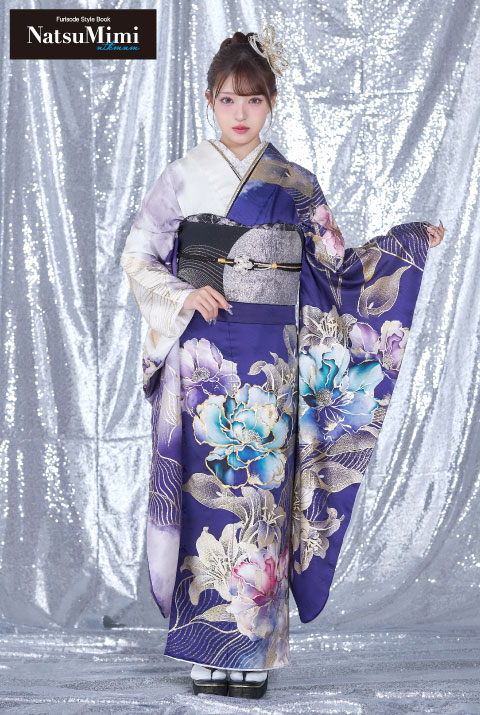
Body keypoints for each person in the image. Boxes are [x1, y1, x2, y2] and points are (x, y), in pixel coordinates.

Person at [120, 24, 445, 700]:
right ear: (210, 101)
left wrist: (407, 243)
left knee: (260, 500)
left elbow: (340, 269)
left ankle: (253, 651)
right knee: (205, 495)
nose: (240, 114)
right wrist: (183, 293)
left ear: (271, 103)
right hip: (202, 359)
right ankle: (203, 647)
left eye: (254, 100)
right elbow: (139, 254)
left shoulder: (296, 183)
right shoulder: (181, 176)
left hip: (271, 360)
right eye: (228, 100)